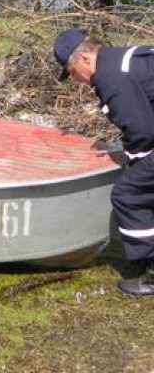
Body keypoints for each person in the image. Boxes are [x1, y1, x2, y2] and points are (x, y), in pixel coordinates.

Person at [54, 28, 154, 295]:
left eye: (71, 71)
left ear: (84, 59)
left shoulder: (111, 76)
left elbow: (143, 132)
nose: (75, 80)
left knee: (130, 194)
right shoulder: (121, 59)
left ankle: (152, 275)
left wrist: (134, 162)